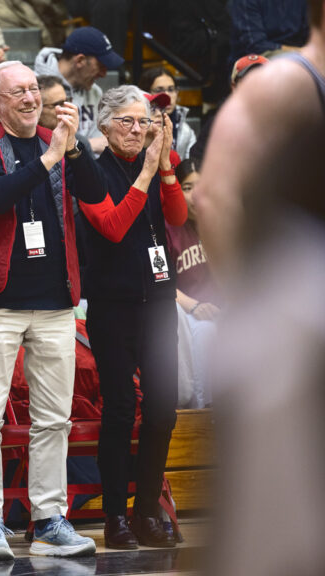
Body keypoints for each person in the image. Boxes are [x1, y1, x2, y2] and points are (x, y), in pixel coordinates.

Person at [0, 61, 104, 561]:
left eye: (34, 88)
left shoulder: (57, 138)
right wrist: (47, 158)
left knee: (53, 420)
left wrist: (75, 144)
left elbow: (95, 193)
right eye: (17, 91)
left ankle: (49, 519)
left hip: (56, 302)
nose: (30, 97)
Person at [197, 3, 325, 572]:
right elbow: (214, 195)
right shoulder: (285, 83)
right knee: (284, 539)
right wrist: (253, 309)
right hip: (299, 331)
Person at [75, 85, 187, 550]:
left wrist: (163, 171)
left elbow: (178, 216)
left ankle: (147, 513)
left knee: (163, 409)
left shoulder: (156, 166)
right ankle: (115, 516)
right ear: (104, 125)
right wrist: (146, 171)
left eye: (144, 122)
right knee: (121, 410)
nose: (138, 129)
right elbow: (115, 227)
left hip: (160, 304)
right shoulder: (92, 173)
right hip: (114, 305)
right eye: (127, 121)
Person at [165, 159, 218, 409]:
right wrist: (194, 306)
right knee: (206, 331)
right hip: (185, 312)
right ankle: (200, 412)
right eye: (187, 187)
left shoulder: (221, 225)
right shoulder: (169, 226)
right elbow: (161, 282)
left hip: (221, 308)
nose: (195, 195)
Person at [34, 26, 125, 155]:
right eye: (101, 66)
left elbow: (101, 145)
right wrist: (89, 145)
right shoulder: (32, 87)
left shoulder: (95, 92)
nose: (104, 74)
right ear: (80, 60)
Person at [138, 67, 196, 159]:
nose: (167, 95)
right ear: (146, 92)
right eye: (159, 90)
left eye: (171, 89)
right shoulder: (136, 128)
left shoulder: (186, 131)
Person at [229, 0, 309, 61]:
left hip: (297, 57)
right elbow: (256, 46)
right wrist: (299, 53)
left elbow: (311, 34)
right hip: (254, 60)